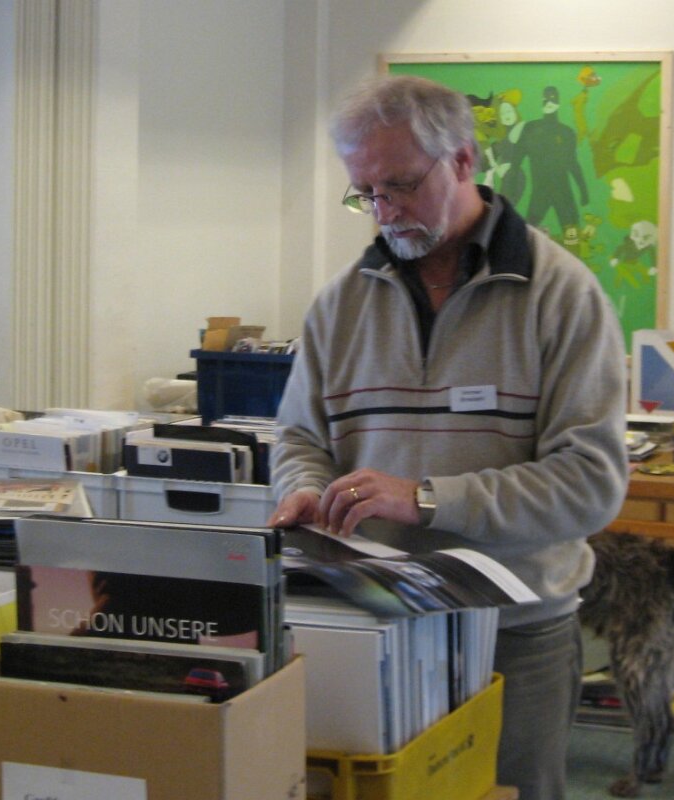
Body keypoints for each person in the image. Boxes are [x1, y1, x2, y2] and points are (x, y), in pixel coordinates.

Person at [269, 74, 628, 800]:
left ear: (462, 160)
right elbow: (300, 438)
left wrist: (427, 499)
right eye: (365, 193)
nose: (384, 211)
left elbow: (591, 484)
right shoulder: (340, 304)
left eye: (400, 185)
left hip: (515, 630)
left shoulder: (562, 295)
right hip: (372, 617)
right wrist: (304, 490)